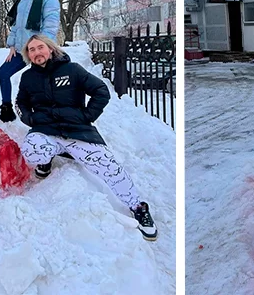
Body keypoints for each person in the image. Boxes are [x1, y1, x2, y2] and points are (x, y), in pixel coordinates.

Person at [15, 35, 158, 241]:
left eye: (40, 47)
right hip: (46, 130)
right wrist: (31, 118)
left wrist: (87, 116)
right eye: (31, 50)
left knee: (109, 167)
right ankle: (45, 163)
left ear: (50, 49)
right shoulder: (28, 77)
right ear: (28, 55)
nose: (37, 52)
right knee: (31, 150)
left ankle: (138, 207)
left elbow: (101, 91)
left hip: (77, 131)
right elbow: (20, 103)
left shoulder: (72, 70)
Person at [0, 0, 61, 122]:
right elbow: (16, 24)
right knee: (3, 73)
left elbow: (51, 26)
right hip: (21, 50)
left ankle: (50, 114)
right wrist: (12, 44)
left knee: (42, 83)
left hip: (39, 51)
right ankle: (7, 109)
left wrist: (41, 48)